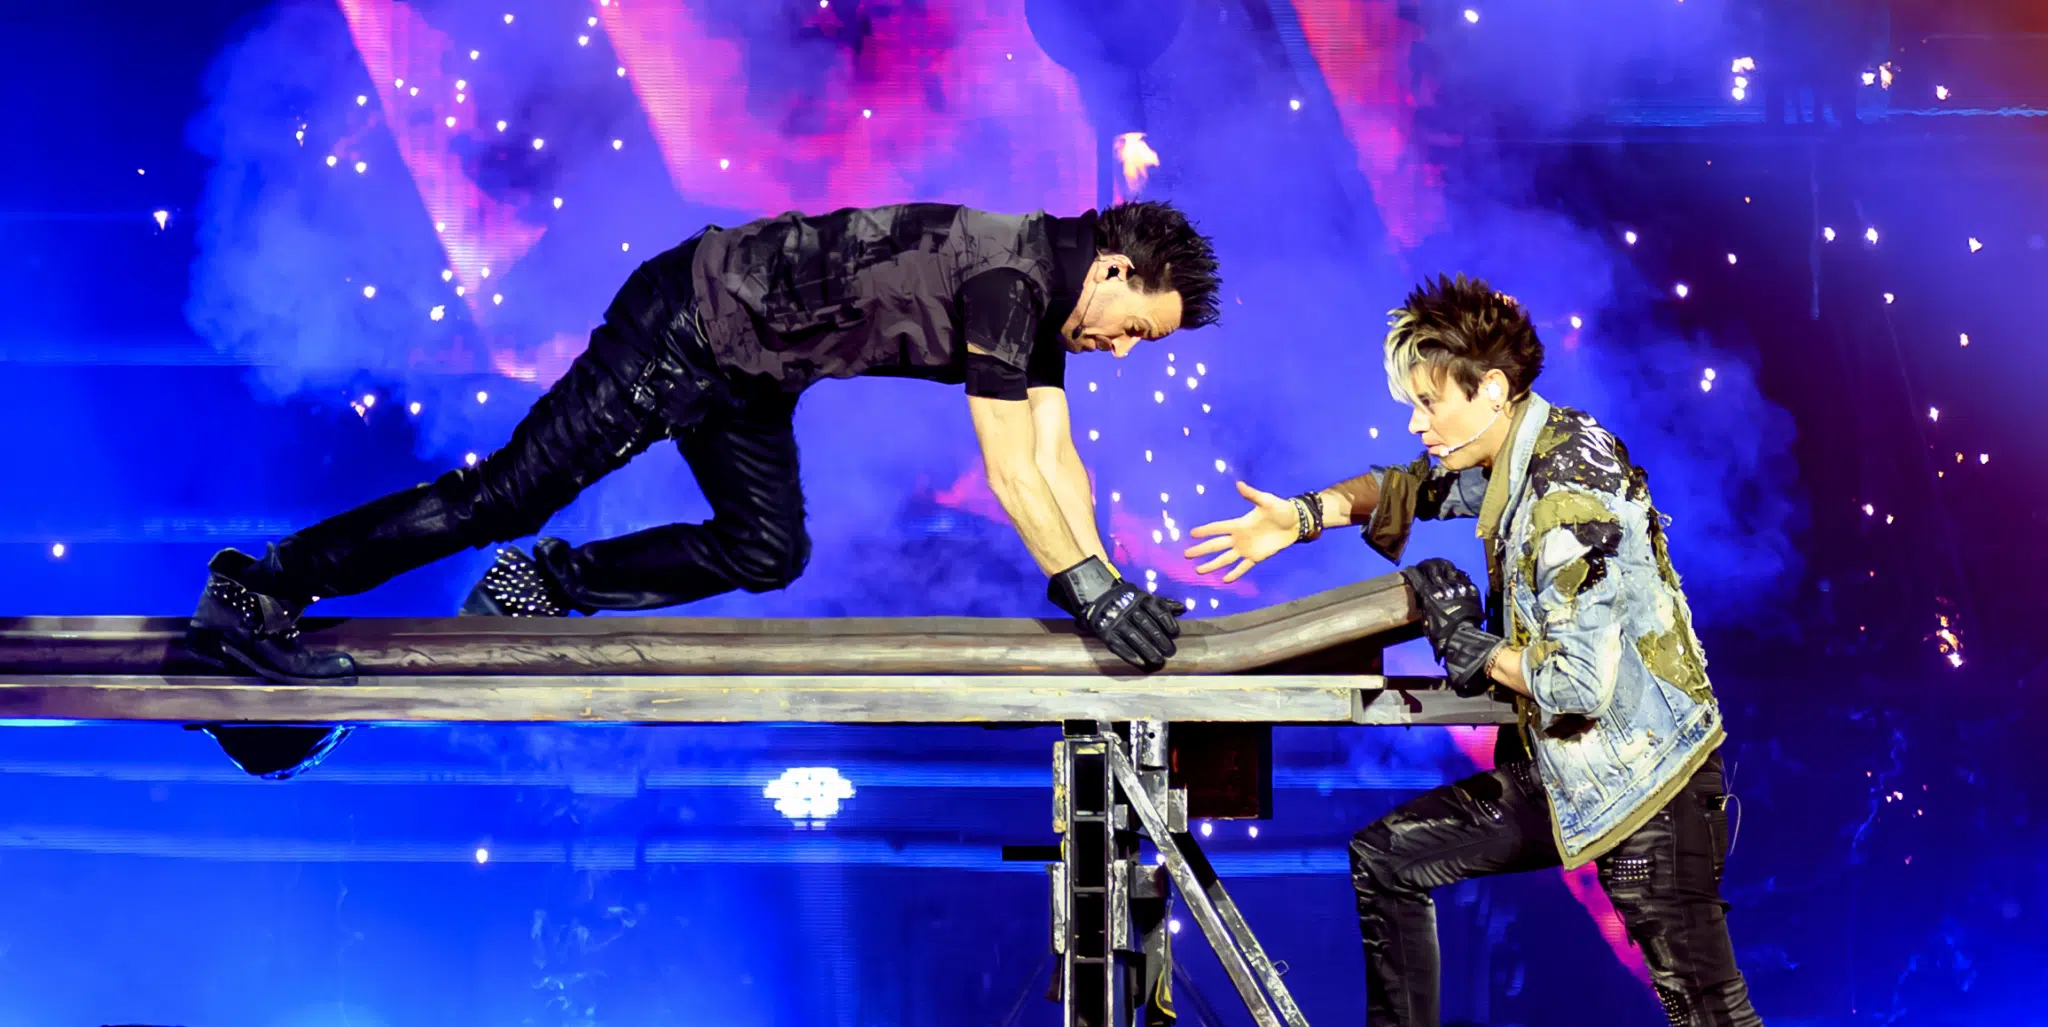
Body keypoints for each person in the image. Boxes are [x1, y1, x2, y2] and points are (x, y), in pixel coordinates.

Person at [191, 201, 1219, 777]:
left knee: (767, 548)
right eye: (1135, 328)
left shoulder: (1043, 305)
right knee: (504, 494)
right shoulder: (1012, 282)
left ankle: (543, 582)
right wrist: (1089, 592)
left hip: (748, 372)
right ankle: (259, 586)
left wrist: (1107, 583)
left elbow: (1056, 457)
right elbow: (1008, 468)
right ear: (1112, 270)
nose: (1124, 349)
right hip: (683, 325)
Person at [1183, 275, 1761, 1025]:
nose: (1417, 422)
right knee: (1388, 858)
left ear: (1490, 388)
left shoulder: (1564, 493)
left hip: (1647, 787)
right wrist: (1302, 516)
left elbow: (1578, 684)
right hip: (1567, 771)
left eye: (1430, 402)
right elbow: (1412, 488)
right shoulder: (1522, 446)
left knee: (1708, 1011)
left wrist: (1472, 646)